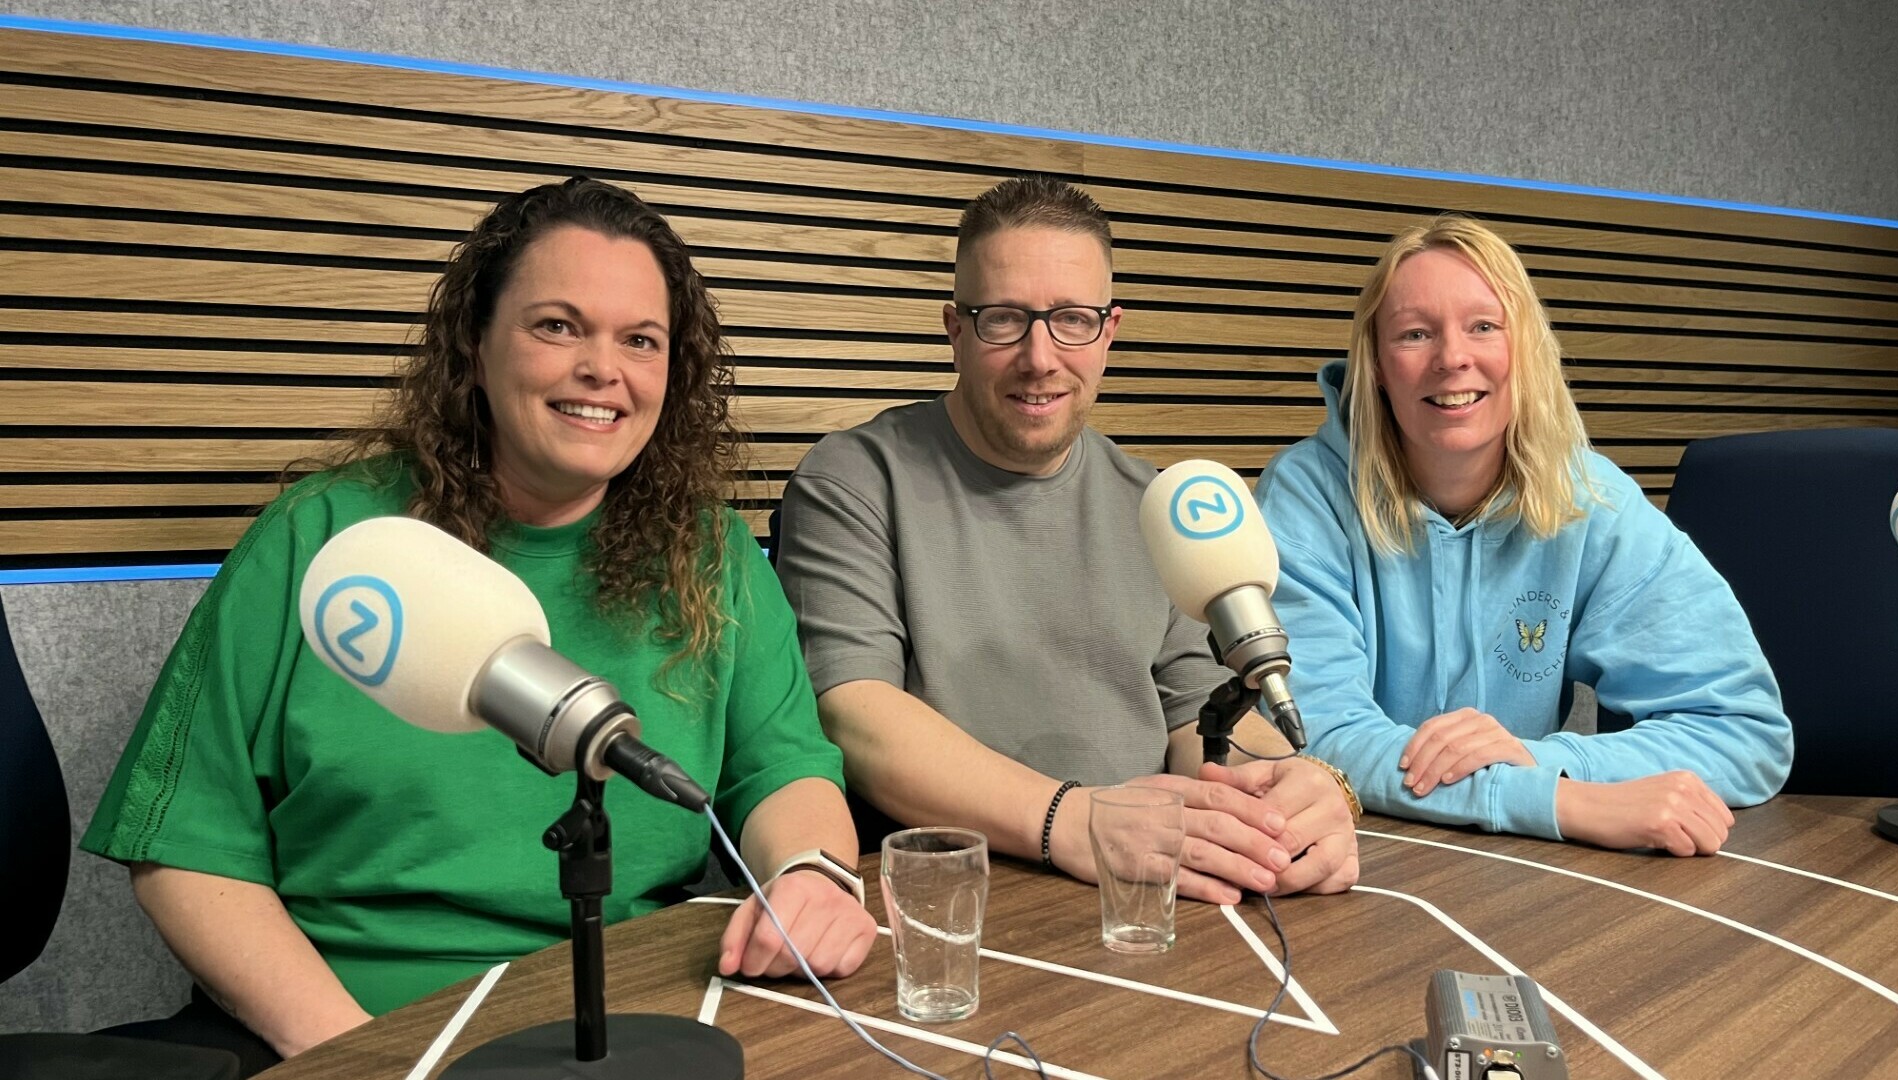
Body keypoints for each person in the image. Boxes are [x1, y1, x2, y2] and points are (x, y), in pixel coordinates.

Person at [81, 177, 876, 1071]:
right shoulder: (323, 540)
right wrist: (364, 1058)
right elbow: (187, 853)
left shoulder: (711, 553)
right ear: (475, 343)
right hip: (346, 1023)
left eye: (640, 341)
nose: (602, 370)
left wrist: (810, 875)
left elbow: (784, 766)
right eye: (557, 326)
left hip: (632, 1017)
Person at [775, 177, 1360, 906]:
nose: (1040, 356)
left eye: (1072, 320)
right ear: (955, 330)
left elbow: (1203, 722)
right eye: (1004, 320)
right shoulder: (854, 480)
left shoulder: (1159, 506)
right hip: (955, 902)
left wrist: (1287, 797)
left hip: (1144, 892)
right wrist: (1075, 821)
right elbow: (853, 716)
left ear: (1108, 332)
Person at [1254, 214, 1793, 856]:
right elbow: (1314, 737)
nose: (1453, 358)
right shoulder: (1306, 496)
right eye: (1415, 333)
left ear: (1524, 349)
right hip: (1354, 860)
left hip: (1526, 875)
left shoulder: (1591, 501)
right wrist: (1561, 798)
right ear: (1374, 364)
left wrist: (1554, 760)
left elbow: (1745, 731)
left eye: (1483, 326)